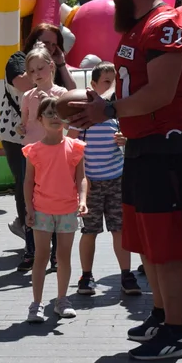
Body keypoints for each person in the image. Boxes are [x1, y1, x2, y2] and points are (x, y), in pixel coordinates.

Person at [69, 0, 182, 361]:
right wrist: (101, 100)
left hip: (168, 146)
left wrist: (106, 111)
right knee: (148, 243)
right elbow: (130, 88)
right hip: (143, 146)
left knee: (169, 245)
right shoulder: (140, 27)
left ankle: (178, 332)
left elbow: (161, 92)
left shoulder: (166, 26)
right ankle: (161, 316)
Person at [0, 24, 75, 271]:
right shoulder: (19, 64)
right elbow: (24, 114)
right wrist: (22, 127)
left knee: (53, 195)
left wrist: (59, 64)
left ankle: (53, 250)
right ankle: (32, 245)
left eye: (54, 43)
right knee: (27, 190)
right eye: (45, 41)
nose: (49, 46)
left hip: (55, 149)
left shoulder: (57, 83)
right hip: (28, 146)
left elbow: (72, 100)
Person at [67, 62, 140, 295]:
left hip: (117, 180)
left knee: (120, 230)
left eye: (115, 82)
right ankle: (86, 276)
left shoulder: (121, 115)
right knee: (89, 231)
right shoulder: (83, 117)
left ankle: (126, 275)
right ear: (93, 86)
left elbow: (133, 146)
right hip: (90, 183)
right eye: (107, 82)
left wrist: (126, 141)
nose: (112, 87)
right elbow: (70, 145)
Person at [23, 95, 87, 322]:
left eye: (59, 113)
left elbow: (81, 178)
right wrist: (28, 208)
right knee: (40, 256)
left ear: (67, 119)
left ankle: (62, 299)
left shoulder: (75, 147)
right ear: (39, 119)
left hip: (68, 210)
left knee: (63, 257)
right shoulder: (33, 151)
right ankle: (37, 303)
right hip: (42, 210)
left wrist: (82, 200)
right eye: (49, 113)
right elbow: (28, 181)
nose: (54, 117)